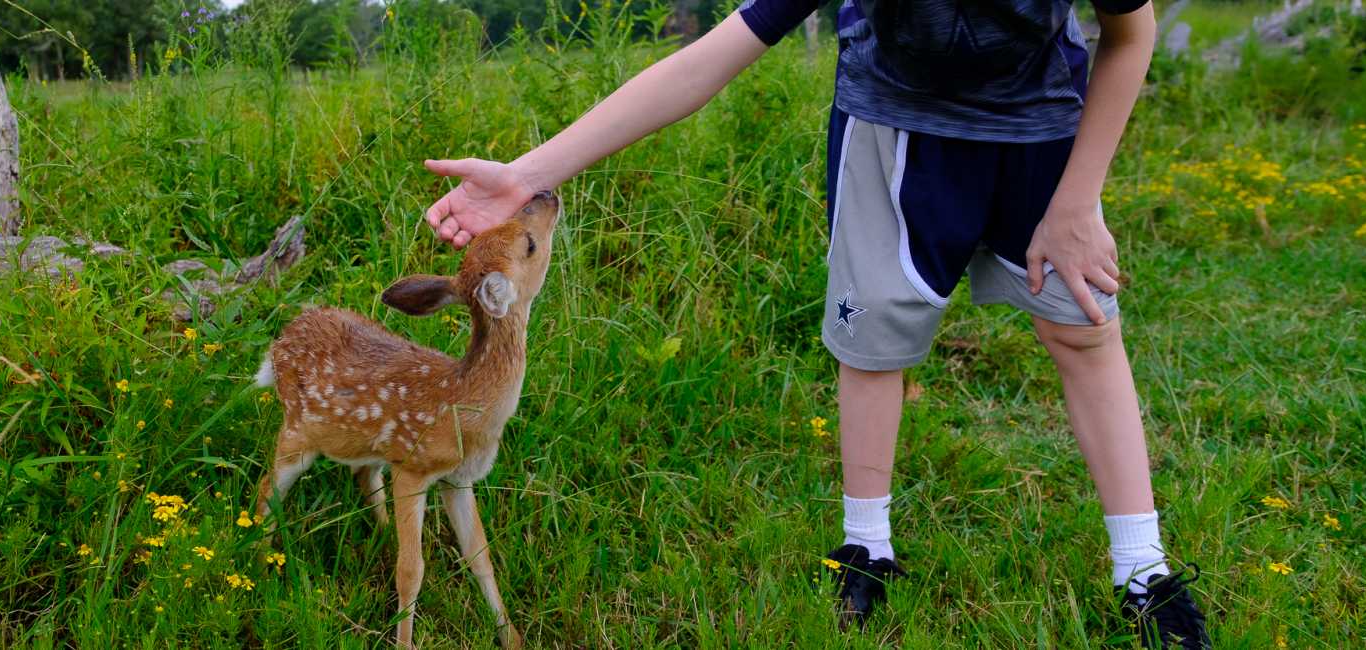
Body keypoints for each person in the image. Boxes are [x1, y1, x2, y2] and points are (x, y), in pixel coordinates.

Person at [421, 1, 1210, 647]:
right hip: (893, 132)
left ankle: (1143, 569)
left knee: (1082, 329)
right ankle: (867, 547)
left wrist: (1077, 203)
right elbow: (708, 59)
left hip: (1043, 135)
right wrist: (530, 174)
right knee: (873, 345)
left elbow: (1130, 32)